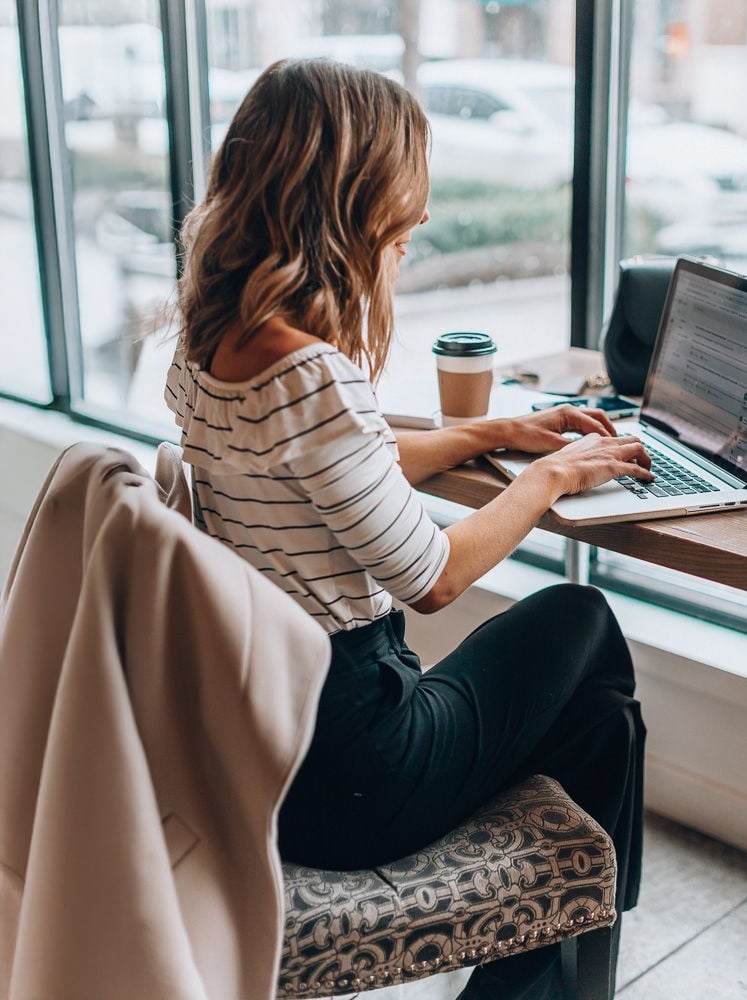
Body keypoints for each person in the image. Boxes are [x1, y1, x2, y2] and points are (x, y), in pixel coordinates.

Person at [165, 58, 651, 1000]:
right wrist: (550, 472)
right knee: (581, 621)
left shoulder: (212, 340)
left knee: (597, 722)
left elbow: (335, 463)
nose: (417, 220)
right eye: (404, 192)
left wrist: (494, 433)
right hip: (354, 778)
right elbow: (431, 574)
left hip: (267, 748)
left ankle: (558, 963)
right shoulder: (311, 375)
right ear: (347, 200)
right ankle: (593, 937)